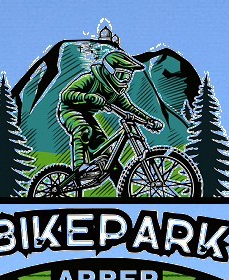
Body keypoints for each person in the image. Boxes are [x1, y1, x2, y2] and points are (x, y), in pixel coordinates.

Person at [53, 24, 157, 188]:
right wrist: (91, 97)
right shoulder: (91, 79)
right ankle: (79, 167)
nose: (124, 81)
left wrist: (149, 121)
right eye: (121, 75)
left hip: (87, 114)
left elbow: (130, 108)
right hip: (69, 110)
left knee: (108, 156)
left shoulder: (116, 92)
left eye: (128, 77)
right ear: (109, 70)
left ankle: (122, 191)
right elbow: (66, 95)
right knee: (83, 130)